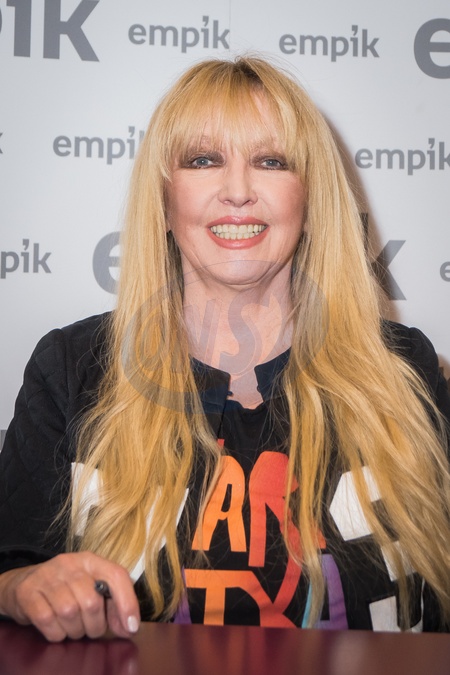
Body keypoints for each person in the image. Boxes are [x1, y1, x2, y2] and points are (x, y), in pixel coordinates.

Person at [0, 56, 449, 642]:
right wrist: (21, 587)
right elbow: (11, 566)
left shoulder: (404, 368)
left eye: (271, 161)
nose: (238, 192)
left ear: (310, 200)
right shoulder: (71, 367)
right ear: (164, 200)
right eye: (204, 160)